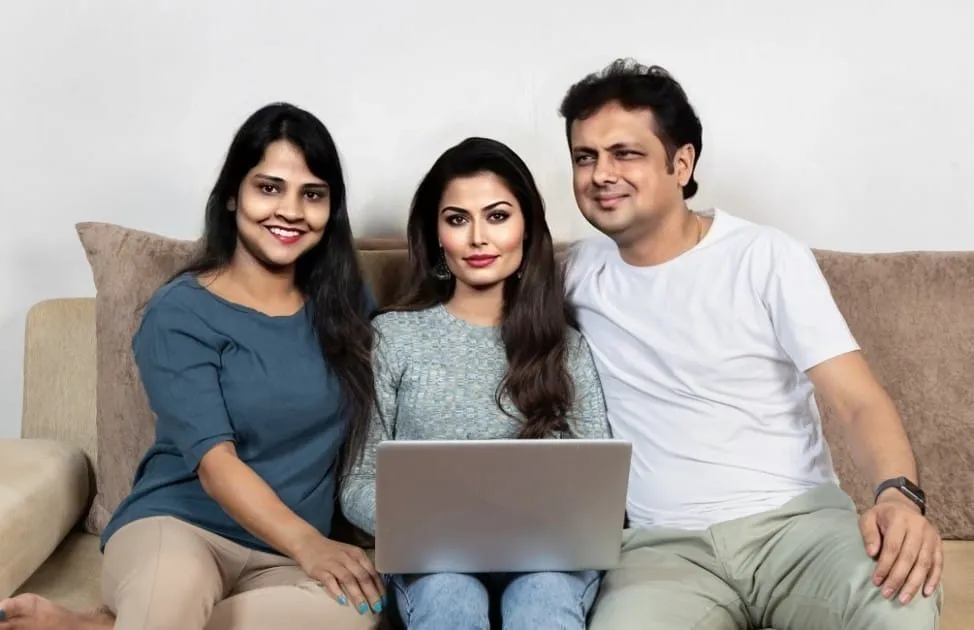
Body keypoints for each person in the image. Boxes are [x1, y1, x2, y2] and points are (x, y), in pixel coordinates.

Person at [558, 59, 944, 630]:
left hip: (799, 530)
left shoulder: (765, 257)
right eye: (585, 157)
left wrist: (897, 496)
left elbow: (857, 400)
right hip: (663, 551)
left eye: (626, 153)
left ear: (681, 161)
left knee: (899, 610)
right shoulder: (576, 275)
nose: (600, 174)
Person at [0, 103, 386, 630]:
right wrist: (310, 543)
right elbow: (215, 464)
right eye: (268, 187)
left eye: (312, 194)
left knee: (360, 612)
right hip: (179, 525)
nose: (291, 211)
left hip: (283, 559)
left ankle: (101, 627)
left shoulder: (347, 306)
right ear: (233, 195)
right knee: (170, 598)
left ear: (330, 209)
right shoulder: (180, 310)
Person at [339, 136, 612, 629]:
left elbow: (601, 482)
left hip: (550, 559)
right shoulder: (394, 337)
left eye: (498, 216)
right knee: (449, 598)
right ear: (437, 234)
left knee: (543, 599)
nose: (477, 238)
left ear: (527, 229)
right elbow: (357, 483)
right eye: (457, 219)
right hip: (435, 558)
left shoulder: (566, 344)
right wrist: (434, 531)